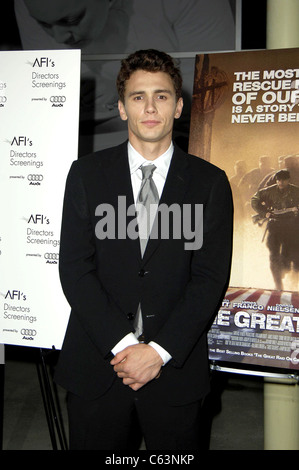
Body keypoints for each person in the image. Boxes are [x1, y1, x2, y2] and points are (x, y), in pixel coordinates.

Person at [54, 49, 233, 450]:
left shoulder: (209, 183)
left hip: (175, 371)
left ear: (179, 105)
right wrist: (125, 346)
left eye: (162, 95)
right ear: (121, 108)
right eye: (138, 97)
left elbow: (209, 278)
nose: (150, 107)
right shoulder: (85, 174)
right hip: (97, 368)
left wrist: (157, 352)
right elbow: (74, 269)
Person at [14, 0, 235, 154]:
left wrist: (124, 91)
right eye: (43, 24)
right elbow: (44, 88)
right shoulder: (28, 6)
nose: (59, 37)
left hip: (176, 141)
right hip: (76, 142)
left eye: (72, 20)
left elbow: (212, 96)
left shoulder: (191, 5)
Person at [251, 169, 299, 291]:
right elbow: (255, 200)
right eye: (278, 180)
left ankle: (284, 271)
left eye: (283, 180)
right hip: (274, 226)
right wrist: (264, 212)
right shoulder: (269, 191)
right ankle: (278, 285)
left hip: (290, 228)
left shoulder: (296, 191)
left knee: (287, 257)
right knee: (273, 255)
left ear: (288, 180)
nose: (281, 182)